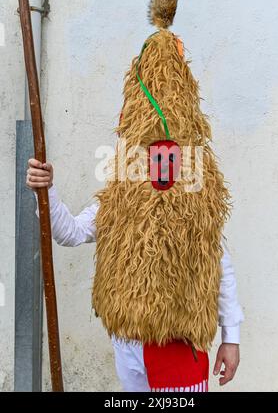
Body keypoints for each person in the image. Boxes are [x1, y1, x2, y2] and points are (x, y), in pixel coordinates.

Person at [27, 158, 244, 392]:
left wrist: (231, 338)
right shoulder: (115, 205)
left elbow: (221, 271)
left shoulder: (194, 207)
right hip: (128, 343)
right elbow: (70, 232)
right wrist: (46, 190)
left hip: (178, 344)